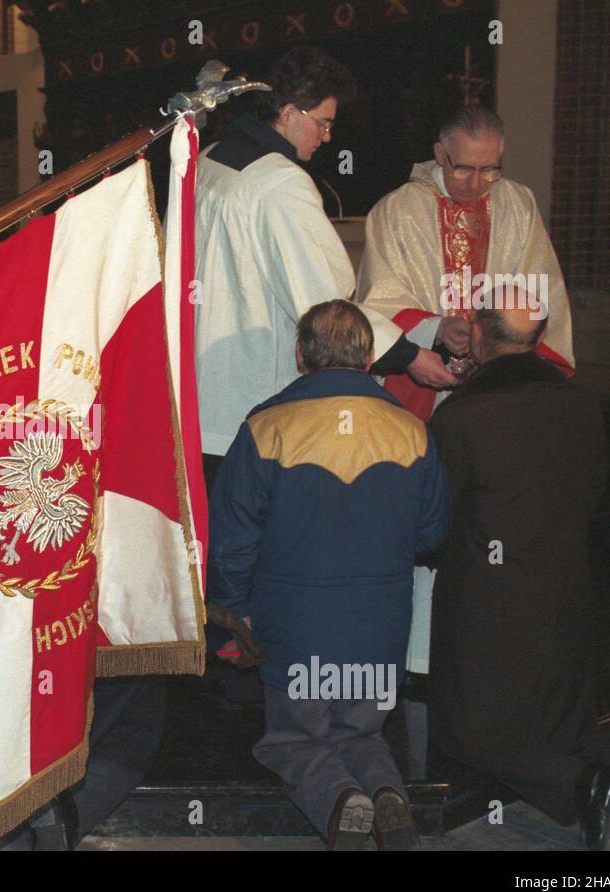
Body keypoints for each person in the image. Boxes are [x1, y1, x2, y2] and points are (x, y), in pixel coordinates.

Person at [194, 47, 454, 681]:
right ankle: (261, 689)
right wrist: (413, 355)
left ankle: (213, 670)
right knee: (265, 561)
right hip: (257, 405)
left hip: (201, 395)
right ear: (288, 113)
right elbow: (328, 308)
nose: (328, 136)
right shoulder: (281, 185)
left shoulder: (210, 162)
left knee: (216, 553)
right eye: (323, 122)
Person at [428, 291, 610, 850]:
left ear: (476, 334)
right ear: (537, 338)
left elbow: (436, 519)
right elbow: (593, 488)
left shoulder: (463, 415)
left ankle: (592, 787)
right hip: (569, 580)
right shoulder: (580, 403)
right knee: (559, 718)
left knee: (469, 731)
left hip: (489, 594)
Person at [208, 300, 451, 849]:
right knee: (360, 731)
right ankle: (387, 796)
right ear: (369, 357)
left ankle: (342, 803)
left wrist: (230, 610)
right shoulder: (410, 430)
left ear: (300, 355)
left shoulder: (267, 427)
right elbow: (432, 533)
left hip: (294, 627)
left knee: (293, 740)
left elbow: (231, 540)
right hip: (380, 623)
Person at [357, 106, 576, 675]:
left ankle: (480, 652)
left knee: (488, 523)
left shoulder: (517, 205)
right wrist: (436, 327)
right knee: (424, 519)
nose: (477, 184)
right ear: (439, 154)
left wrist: (496, 341)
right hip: (423, 391)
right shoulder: (397, 211)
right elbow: (376, 302)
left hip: (496, 401)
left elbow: (539, 291)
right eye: (463, 170)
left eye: (490, 170)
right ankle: (416, 658)